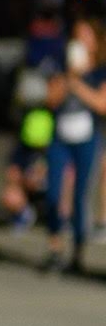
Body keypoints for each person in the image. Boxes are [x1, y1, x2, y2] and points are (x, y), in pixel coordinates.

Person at [43, 17, 105, 274]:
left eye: (86, 36)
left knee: (80, 196)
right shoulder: (61, 66)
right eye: (77, 35)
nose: (80, 40)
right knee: (53, 193)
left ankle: (77, 253)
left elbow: (102, 104)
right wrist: (66, 77)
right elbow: (50, 100)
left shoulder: (100, 71)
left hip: (87, 140)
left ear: (96, 41)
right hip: (60, 138)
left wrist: (78, 83)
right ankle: (55, 248)